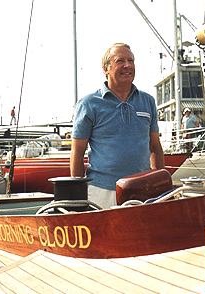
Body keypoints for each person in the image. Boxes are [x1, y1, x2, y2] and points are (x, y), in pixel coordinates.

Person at [70, 43, 165, 208]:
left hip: (142, 190)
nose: (128, 65)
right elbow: (77, 152)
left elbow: (155, 147)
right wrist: (78, 195)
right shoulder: (88, 104)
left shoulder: (148, 101)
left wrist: (161, 185)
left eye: (131, 60)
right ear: (106, 68)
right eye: (120, 61)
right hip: (101, 191)